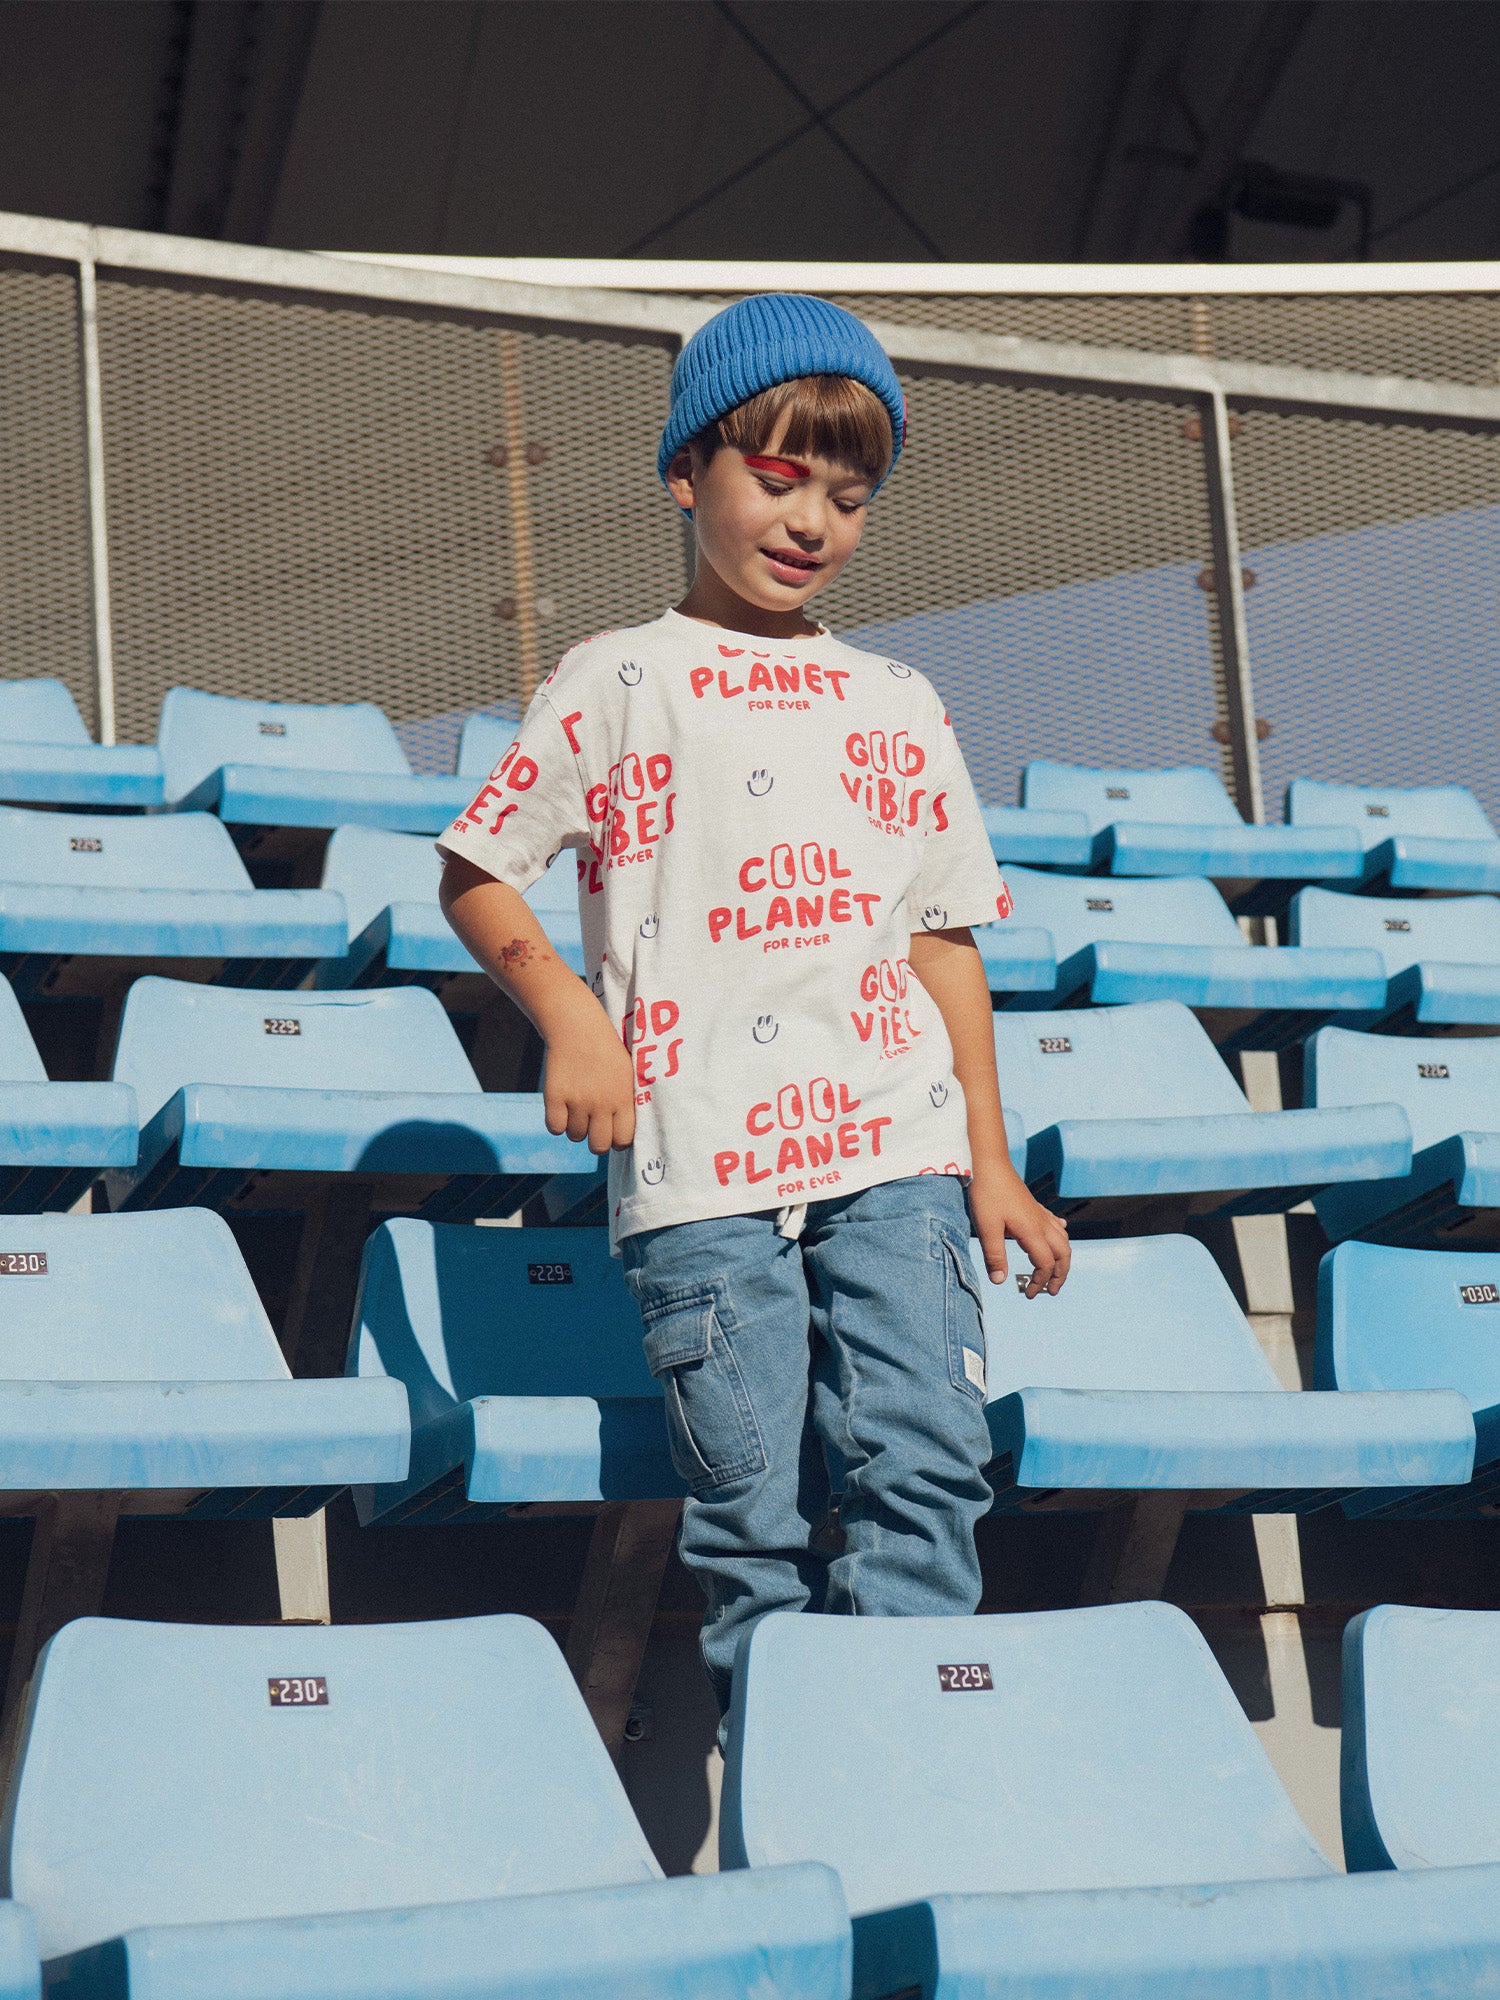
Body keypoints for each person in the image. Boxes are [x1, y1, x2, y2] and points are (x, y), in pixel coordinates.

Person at [438, 293, 1070, 1726]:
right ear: (688, 474)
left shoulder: (898, 696)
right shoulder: (616, 676)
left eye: (847, 496)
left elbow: (943, 943)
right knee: (751, 1513)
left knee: (928, 1460)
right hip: (700, 1159)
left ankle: (910, 1753)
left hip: (894, 1148)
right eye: (776, 478)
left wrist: (991, 1160)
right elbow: (477, 869)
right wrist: (572, 1021)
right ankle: (798, 1786)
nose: (811, 522)